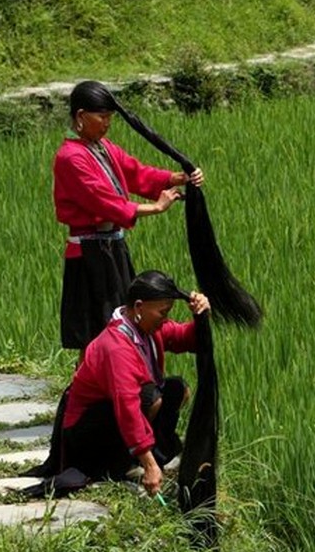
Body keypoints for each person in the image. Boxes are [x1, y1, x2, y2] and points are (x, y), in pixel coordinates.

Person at [53, 80, 204, 358]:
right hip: (88, 255)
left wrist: (178, 178)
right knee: (96, 334)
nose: (107, 123)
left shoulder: (104, 148)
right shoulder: (70, 158)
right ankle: (89, 391)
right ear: (80, 116)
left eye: (110, 117)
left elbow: (136, 173)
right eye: (102, 117)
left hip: (113, 248)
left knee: (121, 323)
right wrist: (157, 208)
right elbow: (104, 202)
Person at [59, 270, 210, 496]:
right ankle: (123, 463)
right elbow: (127, 408)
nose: (165, 319)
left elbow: (184, 337)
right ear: (139, 307)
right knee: (151, 399)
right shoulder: (116, 347)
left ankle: (153, 456)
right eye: (163, 312)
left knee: (177, 389)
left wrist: (201, 316)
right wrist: (148, 464)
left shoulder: (146, 329)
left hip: (112, 414)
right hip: (85, 432)